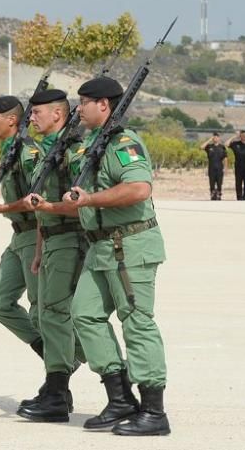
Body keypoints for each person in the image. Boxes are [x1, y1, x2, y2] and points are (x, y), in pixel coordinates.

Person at [48, 76, 170, 436]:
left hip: (129, 246)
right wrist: (55, 207)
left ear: (104, 105)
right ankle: (119, 399)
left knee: (137, 321)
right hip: (101, 248)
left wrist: (88, 199)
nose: (79, 107)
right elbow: (85, 203)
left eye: (84, 101)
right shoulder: (90, 145)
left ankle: (153, 410)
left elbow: (137, 187)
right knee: (84, 315)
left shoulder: (124, 143)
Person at [14, 88, 87, 422]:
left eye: (37, 112)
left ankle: (59, 392)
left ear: (58, 114)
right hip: (52, 241)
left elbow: (79, 204)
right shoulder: (47, 152)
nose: (31, 118)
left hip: (71, 240)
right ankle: (55, 388)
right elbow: (40, 209)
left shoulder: (72, 151)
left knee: (57, 315)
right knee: (47, 316)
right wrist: (39, 251)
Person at [0, 96, 43, 364]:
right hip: (18, 236)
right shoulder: (11, 149)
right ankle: (52, 353)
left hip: (33, 234)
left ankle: (64, 366)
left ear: (12, 120)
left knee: (42, 310)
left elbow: (38, 201)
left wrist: (2, 208)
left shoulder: (28, 152)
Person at [226, 131, 245, 200]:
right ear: (240, 136)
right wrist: (234, 136)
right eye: (242, 135)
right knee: (238, 183)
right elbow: (226, 144)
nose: (244, 136)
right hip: (238, 166)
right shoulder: (235, 144)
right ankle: (239, 197)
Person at [201, 133, 228, 201]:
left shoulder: (222, 147)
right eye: (214, 137)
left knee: (219, 183)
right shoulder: (209, 146)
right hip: (211, 168)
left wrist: (226, 168)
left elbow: (225, 158)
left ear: (219, 138)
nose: (215, 138)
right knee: (212, 183)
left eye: (217, 137)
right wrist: (209, 139)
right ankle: (212, 195)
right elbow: (201, 147)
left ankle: (219, 194)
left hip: (219, 168)